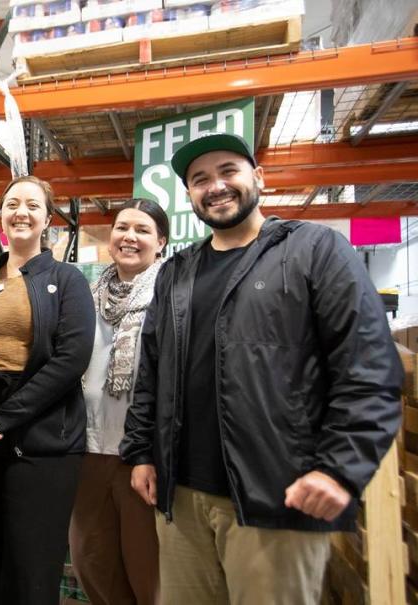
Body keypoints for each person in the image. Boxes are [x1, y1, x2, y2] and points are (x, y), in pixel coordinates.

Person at [121, 132, 403, 605]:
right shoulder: (177, 272)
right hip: (181, 502)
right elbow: (151, 369)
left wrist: (340, 469)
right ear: (189, 194)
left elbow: (369, 368)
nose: (215, 186)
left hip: (275, 499)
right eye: (200, 179)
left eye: (228, 171)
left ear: (259, 177)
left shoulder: (316, 250)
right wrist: (141, 452)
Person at [0, 175, 96, 605]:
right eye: (13, 203)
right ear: (0, 214)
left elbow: (71, 360)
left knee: (32, 569)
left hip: (43, 432)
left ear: (46, 219)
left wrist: (1, 417)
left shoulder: (66, 279)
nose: (21, 212)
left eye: (33, 205)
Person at [69, 199, 167, 605]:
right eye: (122, 227)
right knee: (93, 563)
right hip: (88, 451)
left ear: (160, 242)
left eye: (143, 230)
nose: (130, 237)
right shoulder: (84, 298)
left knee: (151, 575)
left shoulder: (172, 295)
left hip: (142, 457)